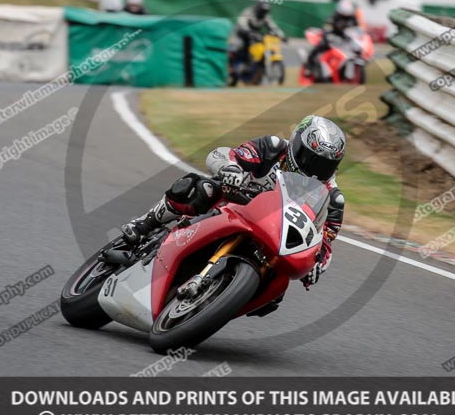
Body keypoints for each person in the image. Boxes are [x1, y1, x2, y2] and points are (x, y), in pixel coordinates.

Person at [122, 115, 346, 290]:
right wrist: (231, 169)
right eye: (310, 159)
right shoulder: (273, 147)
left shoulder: (332, 198)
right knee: (202, 188)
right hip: (236, 207)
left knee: (276, 290)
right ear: (296, 144)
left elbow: (324, 243)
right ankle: (143, 225)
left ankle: (216, 300)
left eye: (324, 166)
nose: (314, 170)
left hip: (273, 240)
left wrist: (316, 266)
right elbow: (225, 155)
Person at [304, 0, 359, 81]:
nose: (345, 16)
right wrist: (328, 35)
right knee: (318, 47)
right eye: (344, 14)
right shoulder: (333, 17)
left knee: (356, 51)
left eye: (347, 14)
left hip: (346, 39)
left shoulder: (353, 18)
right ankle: (308, 67)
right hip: (333, 38)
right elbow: (327, 28)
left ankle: (348, 73)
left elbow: (357, 29)